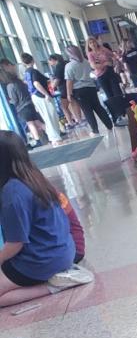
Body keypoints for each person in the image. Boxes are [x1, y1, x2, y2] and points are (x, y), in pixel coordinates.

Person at [0, 132, 92, 308]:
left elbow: (16, 243)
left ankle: (54, 286)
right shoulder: (34, 176)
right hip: (64, 251)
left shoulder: (12, 192)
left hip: (41, 261)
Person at [64, 44, 113, 134]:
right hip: (91, 87)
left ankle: (95, 130)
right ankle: (109, 125)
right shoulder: (86, 62)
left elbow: (69, 81)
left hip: (79, 90)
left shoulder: (69, 66)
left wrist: (68, 94)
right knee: (98, 107)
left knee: (87, 110)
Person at [0, 60, 46, 146]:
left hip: (22, 108)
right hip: (29, 104)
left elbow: (14, 100)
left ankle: (37, 140)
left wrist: (9, 101)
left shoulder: (10, 86)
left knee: (30, 123)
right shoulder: (20, 82)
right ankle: (51, 132)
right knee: (37, 122)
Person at [21, 53, 60, 144]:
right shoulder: (33, 71)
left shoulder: (26, 72)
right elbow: (36, 83)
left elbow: (26, 83)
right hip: (41, 96)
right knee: (50, 116)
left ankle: (54, 137)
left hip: (35, 96)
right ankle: (55, 138)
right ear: (33, 60)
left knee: (47, 116)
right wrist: (46, 94)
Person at [86, 36, 125, 121]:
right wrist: (105, 63)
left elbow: (113, 55)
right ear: (88, 45)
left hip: (110, 72)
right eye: (90, 43)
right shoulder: (90, 54)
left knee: (117, 91)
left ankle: (123, 110)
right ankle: (117, 114)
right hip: (101, 76)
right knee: (109, 94)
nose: (93, 44)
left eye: (93, 42)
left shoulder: (103, 49)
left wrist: (114, 62)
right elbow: (93, 66)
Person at [47, 52, 82, 129]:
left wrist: (52, 85)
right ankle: (79, 120)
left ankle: (70, 122)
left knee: (64, 107)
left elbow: (57, 81)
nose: (49, 64)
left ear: (52, 60)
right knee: (73, 103)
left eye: (49, 62)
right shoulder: (66, 63)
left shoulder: (58, 67)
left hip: (64, 88)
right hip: (73, 86)